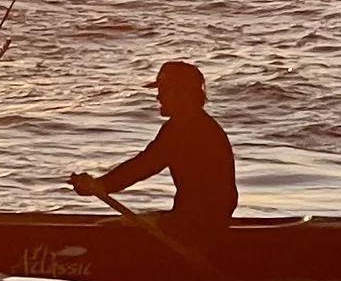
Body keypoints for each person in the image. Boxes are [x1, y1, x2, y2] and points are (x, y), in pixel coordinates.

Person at [70, 59, 238, 241]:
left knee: (107, 229)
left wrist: (99, 185)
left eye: (164, 91)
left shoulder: (183, 128)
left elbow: (143, 166)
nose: (158, 97)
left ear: (183, 94)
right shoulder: (203, 125)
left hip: (194, 224)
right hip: (207, 221)